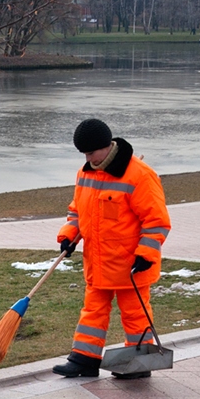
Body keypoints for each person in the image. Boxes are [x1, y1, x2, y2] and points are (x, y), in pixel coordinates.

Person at [53, 118, 172, 379]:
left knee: (135, 316)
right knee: (92, 312)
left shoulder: (141, 175)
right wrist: (69, 235)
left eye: (91, 152)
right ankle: (84, 360)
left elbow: (157, 222)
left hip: (131, 266)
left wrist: (146, 254)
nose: (88, 158)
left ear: (106, 146)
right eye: (84, 153)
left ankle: (140, 364)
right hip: (98, 263)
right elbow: (77, 212)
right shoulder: (85, 172)